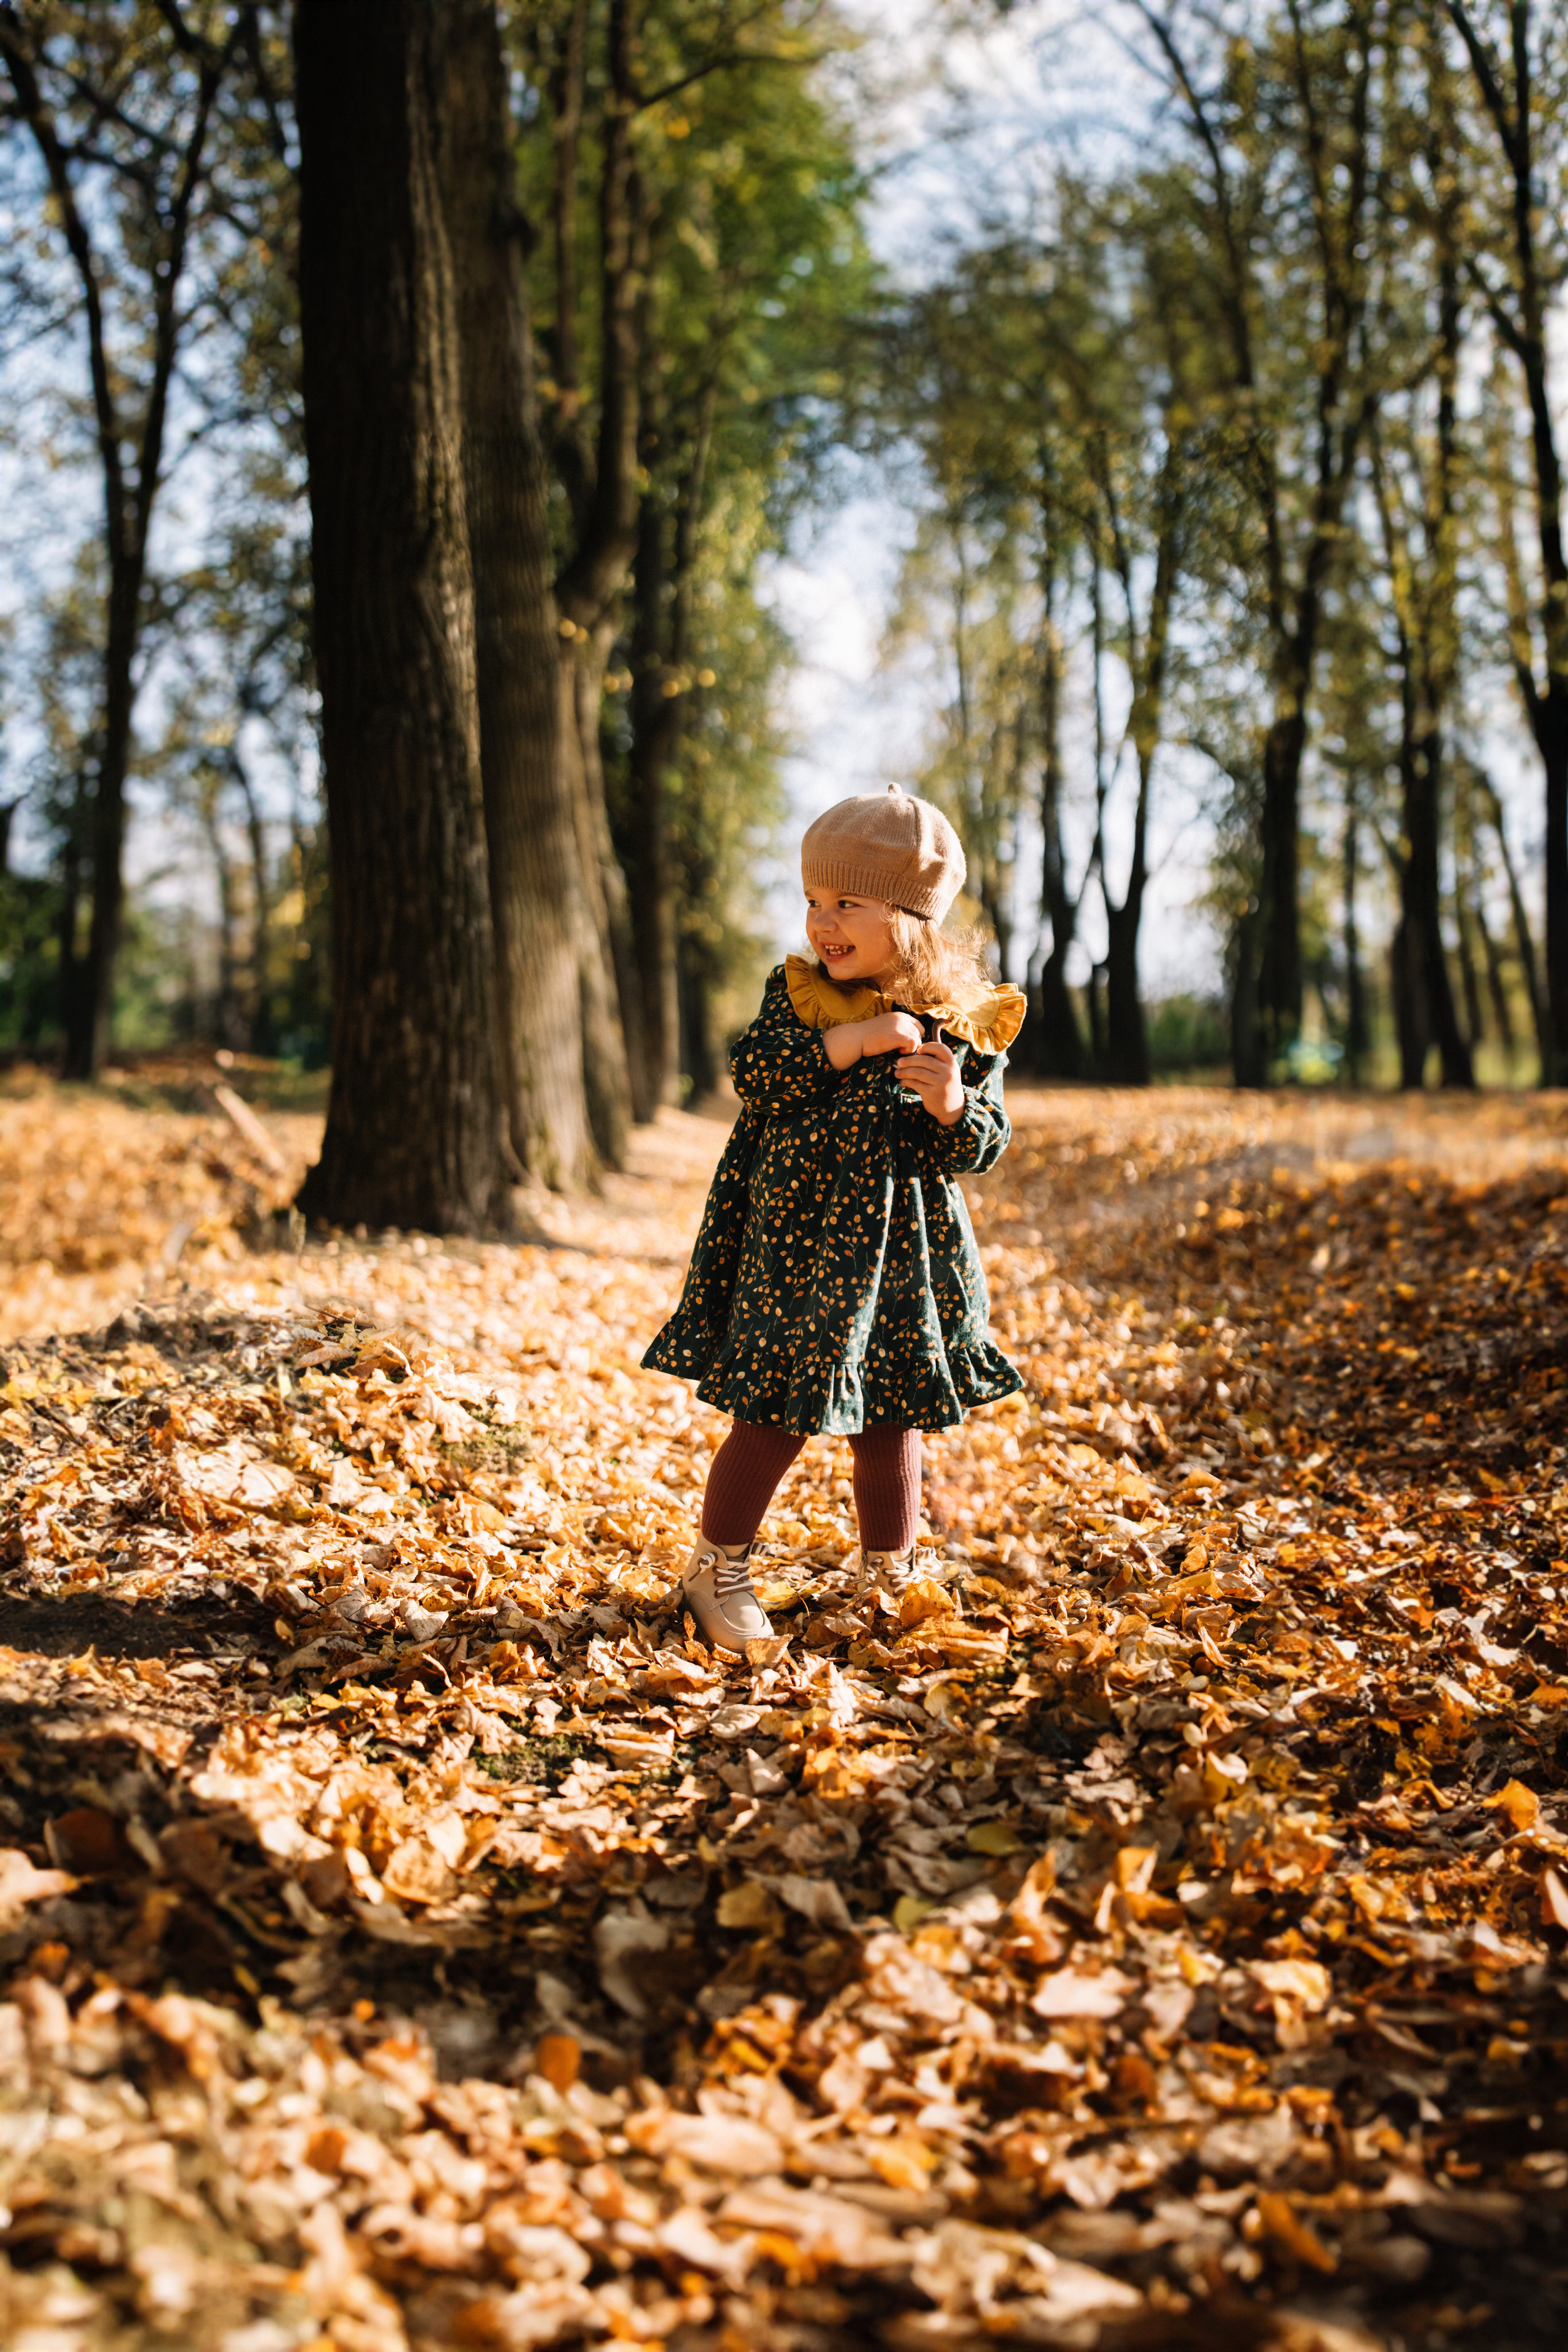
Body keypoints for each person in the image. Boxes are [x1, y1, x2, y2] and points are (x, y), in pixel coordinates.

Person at [641, 783, 1026, 1654]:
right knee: (774, 1408)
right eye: (814, 900)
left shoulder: (958, 1025)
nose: (823, 922)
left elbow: (986, 1145)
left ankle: (889, 1573)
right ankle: (717, 1568)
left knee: (893, 1415)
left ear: (911, 917)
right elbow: (757, 1076)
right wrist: (850, 1041)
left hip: (902, 1254)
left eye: (847, 902)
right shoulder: (804, 998)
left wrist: (955, 1107)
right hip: (795, 1247)